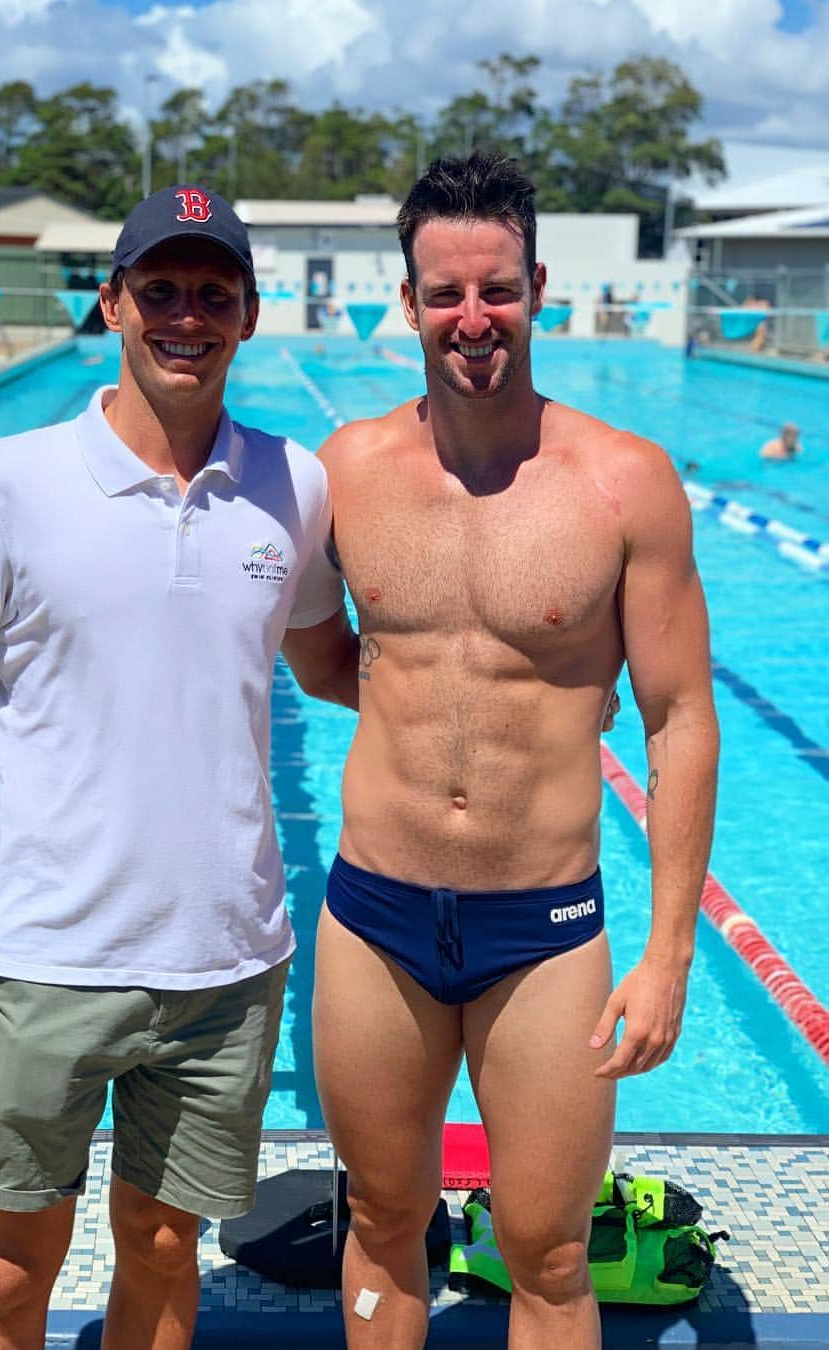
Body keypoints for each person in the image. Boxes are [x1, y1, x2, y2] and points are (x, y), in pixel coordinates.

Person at [0, 185, 359, 1350]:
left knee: (168, 1253)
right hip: (51, 961)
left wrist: (502, 701)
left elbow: (333, 663)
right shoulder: (7, 481)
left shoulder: (296, 485)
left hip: (227, 967)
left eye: (214, 292)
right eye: (163, 289)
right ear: (113, 303)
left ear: (248, 311)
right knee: (9, 1274)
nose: (189, 314)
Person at [313, 154, 719, 1350]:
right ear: (409, 300)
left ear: (536, 285)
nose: (472, 320)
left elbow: (681, 718)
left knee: (544, 1251)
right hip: (373, 917)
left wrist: (671, 953)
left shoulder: (624, 484)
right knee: (384, 1216)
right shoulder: (345, 473)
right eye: (445, 294)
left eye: (496, 290)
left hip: (542, 934)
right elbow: (320, 655)